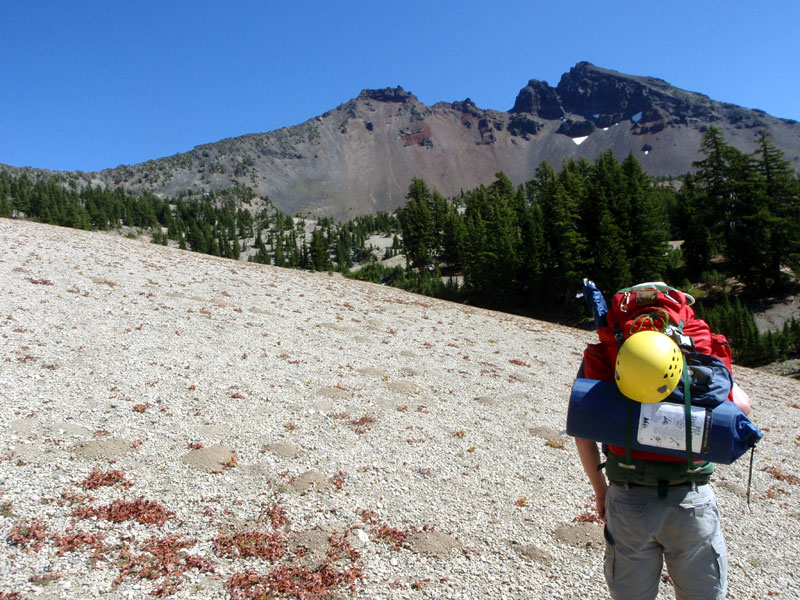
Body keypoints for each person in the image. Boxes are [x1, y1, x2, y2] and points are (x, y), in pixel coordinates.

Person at [574, 285, 751, 600]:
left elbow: (582, 424)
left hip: (628, 499)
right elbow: (741, 407)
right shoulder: (696, 339)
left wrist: (601, 491)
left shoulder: (612, 344)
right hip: (691, 497)